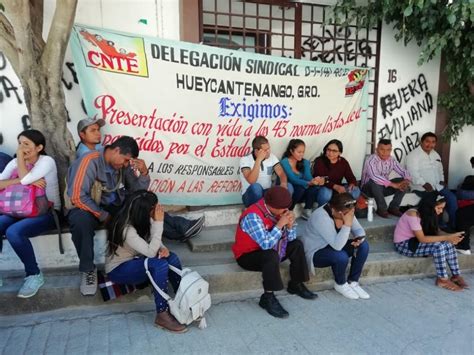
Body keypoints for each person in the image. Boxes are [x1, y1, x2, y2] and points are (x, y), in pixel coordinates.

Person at [66, 136, 203, 296]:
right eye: (125, 160)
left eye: (127, 162)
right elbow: (77, 196)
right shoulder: (90, 161)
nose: (125, 165)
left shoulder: (122, 165)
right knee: (79, 219)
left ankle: (179, 229)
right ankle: (88, 269)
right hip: (90, 209)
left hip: (115, 208)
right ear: (116, 150)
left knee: (142, 205)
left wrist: (144, 173)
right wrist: (103, 216)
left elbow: (138, 192)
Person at [74, 118, 205, 243]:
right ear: (82, 134)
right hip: (104, 206)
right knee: (140, 209)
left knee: (144, 202)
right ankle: (181, 230)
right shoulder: (85, 157)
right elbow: (82, 194)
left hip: (116, 201)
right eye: (93, 130)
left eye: (98, 130)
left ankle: (182, 227)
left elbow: (137, 189)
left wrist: (144, 173)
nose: (98, 133)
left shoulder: (110, 153)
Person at [106, 190, 186, 333]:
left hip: (138, 259)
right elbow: (150, 251)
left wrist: (163, 248)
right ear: (144, 211)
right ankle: (162, 314)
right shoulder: (126, 229)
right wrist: (159, 223)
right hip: (119, 269)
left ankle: (183, 299)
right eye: (155, 207)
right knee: (159, 265)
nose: (158, 209)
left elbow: (152, 240)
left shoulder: (141, 218)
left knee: (171, 258)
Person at [232, 186, 317, 318]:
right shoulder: (252, 215)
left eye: (287, 208)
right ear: (272, 206)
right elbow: (266, 244)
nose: (286, 211)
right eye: (283, 209)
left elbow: (291, 239)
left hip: (273, 249)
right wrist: (279, 225)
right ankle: (267, 298)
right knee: (270, 255)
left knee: (297, 245)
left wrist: (289, 226)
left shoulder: (279, 211)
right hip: (247, 255)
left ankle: (296, 284)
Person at [0, 129, 60, 298]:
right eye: (19, 143)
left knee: (14, 232)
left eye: (26, 144)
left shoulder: (46, 161)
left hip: (45, 212)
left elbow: (27, 180)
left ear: (39, 147)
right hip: (18, 210)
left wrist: (20, 162)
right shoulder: (15, 163)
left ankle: (34, 275)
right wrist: (16, 179)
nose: (21, 148)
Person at [300, 193, 370, 300]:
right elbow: (337, 246)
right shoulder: (321, 217)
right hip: (316, 251)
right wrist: (347, 225)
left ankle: (353, 282)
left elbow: (359, 230)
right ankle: (340, 284)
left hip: (334, 245)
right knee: (341, 256)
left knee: (363, 246)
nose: (350, 215)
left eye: (351, 212)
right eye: (346, 214)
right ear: (335, 210)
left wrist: (359, 239)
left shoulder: (346, 209)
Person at [393, 194, 468, 291]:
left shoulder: (430, 214)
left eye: (442, 208)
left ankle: (456, 275)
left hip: (415, 241)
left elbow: (437, 231)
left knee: (447, 243)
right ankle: (442, 279)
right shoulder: (413, 214)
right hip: (404, 244)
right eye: (439, 208)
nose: (441, 211)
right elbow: (422, 239)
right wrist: (447, 237)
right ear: (429, 206)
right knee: (439, 247)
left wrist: (453, 236)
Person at [406, 132, 457, 230]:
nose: (430, 144)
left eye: (433, 142)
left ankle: (453, 225)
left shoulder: (436, 154)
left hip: (437, 185)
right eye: (427, 141)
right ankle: (439, 226)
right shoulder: (413, 155)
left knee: (452, 198)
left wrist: (442, 180)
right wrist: (423, 183)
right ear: (422, 142)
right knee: (436, 201)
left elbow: (440, 170)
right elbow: (412, 173)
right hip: (420, 187)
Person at [361, 139, 411, 218]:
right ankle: (382, 209)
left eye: (388, 150)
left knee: (403, 182)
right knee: (375, 182)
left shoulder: (391, 159)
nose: (385, 152)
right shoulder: (370, 160)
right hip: (368, 190)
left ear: (391, 150)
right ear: (376, 149)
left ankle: (393, 207)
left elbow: (403, 171)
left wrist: (406, 180)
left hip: (382, 188)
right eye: (382, 149)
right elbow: (375, 177)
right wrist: (393, 185)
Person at [239, 136, 293, 207]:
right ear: (257, 151)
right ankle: (254, 210)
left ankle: (281, 211)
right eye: (265, 150)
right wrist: (258, 160)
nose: (269, 152)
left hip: (267, 193)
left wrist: (283, 183)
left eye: (269, 148)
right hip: (250, 195)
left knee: (289, 187)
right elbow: (251, 181)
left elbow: (281, 173)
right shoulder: (245, 159)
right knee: (256, 187)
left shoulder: (272, 157)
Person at [280, 139, 325, 220]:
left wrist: (315, 180)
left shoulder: (305, 162)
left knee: (314, 187)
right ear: (291, 151)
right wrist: (308, 183)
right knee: (300, 188)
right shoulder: (284, 162)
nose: (301, 154)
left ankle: (307, 210)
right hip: (291, 191)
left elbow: (308, 177)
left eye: (303, 152)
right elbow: (292, 179)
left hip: (303, 191)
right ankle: (290, 210)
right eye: (299, 152)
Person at [312, 139, 361, 207]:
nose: (330, 153)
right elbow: (321, 180)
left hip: (337, 189)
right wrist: (335, 186)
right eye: (328, 150)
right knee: (326, 193)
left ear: (340, 153)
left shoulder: (343, 162)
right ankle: (323, 210)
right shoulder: (319, 161)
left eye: (334, 151)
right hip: (323, 188)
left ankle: (343, 209)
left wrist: (352, 183)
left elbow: (350, 177)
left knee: (355, 190)